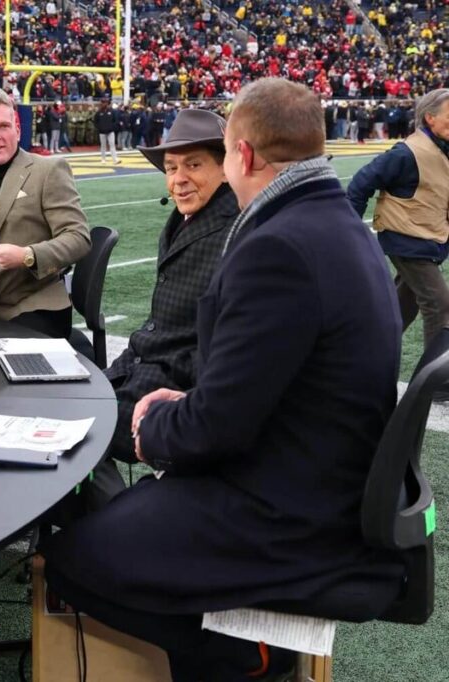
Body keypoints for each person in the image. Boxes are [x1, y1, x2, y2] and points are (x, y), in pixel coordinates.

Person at [43, 78, 404, 681]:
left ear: (243, 155)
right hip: (320, 471)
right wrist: (190, 402)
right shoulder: (336, 221)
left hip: (284, 508)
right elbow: (274, 381)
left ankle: (240, 651)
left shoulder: (278, 247)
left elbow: (217, 431)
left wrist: (153, 421)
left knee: (72, 559)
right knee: (123, 519)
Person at [85, 108, 239, 509]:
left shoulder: (234, 230)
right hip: (146, 366)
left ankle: (115, 521)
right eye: (171, 168)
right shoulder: (186, 219)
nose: (178, 178)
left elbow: (212, 346)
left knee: (79, 424)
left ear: (225, 168)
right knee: (69, 405)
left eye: (193, 164)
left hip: (174, 384)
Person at [0, 88, 90, 339]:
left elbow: (78, 237)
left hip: (32, 304)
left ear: (17, 128)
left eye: (3, 126)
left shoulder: (48, 170)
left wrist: (28, 255)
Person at [347, 88, 449, 349]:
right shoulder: (405, 153)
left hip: (426, 236)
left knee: (404, 305)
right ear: (430, 118)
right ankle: (436, 383)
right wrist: (350, 232)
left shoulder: (441, 147)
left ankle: (363, 352)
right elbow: (361, 183)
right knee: (439, 304)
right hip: (406, 238)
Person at [93, 99, 120, 164]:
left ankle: (115, 159)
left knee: (112, 145)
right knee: (103, 146)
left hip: (110, 132)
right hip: (102, 132)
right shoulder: (99, 112)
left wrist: (112, 128)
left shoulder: (112, 111)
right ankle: (103, 159)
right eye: (102, 102)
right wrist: (99, 128)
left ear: (107, 103)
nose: (103, 104)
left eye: (105, 103)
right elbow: (95, 122)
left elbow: (116, 121)